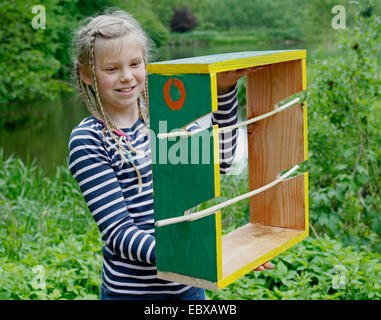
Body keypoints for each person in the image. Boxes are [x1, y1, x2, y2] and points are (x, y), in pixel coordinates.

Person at [68, 10, 273, 300]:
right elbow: (119, 233)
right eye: (111, 69)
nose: (126, 77)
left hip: (188, 286)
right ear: (88, 75)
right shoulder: (88, 140)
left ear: (145, 64)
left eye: (134, 64)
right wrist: (198, 255)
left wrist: (225, 90)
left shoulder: (166, 121)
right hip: (132, 293)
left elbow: (221, 164)